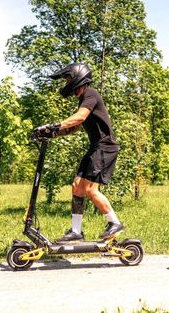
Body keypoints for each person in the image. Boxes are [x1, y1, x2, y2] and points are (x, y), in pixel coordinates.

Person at [34, 63, 124, 243]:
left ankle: (114, 222)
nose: (66, 82)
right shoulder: (83, 99)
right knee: (77, 186)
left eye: (67, 78)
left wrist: (56, 124)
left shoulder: (90, 94)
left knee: (90, 189)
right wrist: (51, 132)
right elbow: (74, 127)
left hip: (105, 147)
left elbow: (80, 117)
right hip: (96, 147)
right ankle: (76, 231)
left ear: (77, 77)